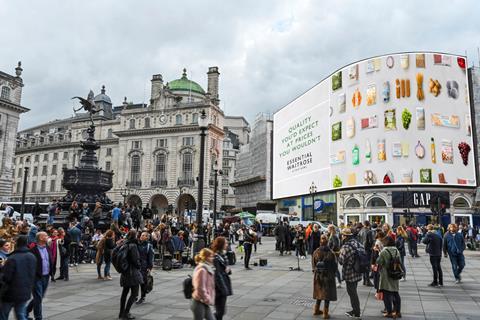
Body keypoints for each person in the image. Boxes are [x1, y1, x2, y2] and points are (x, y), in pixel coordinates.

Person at [0, 235, 37, 320]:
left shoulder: (13, 258)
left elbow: (6, 277)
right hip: (25, 291)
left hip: (10, 292)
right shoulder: (32, 256)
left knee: (3, 314)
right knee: (20, 313)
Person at [27, 231, 54, 320]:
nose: (48, 237)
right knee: (38, 297)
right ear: (41, 238)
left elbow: (50, 260)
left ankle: (26, 310)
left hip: (46, 276)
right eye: (46, 236)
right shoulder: (33, 250)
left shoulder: (47, 248)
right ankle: (38, 317)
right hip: (36, 277)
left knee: (39, 297)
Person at [338, 228, 363, 319]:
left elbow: (341, 261)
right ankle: (355, 310)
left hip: (350, 273)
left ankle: (356, 312)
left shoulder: (346, 247)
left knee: (352, 293)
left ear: (345, 236)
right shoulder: (358, 243)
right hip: (358, 271)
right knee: (354, 291)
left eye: (342, 235)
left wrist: (339, 254)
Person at [119, 230, 144, 320]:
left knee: (124, 293)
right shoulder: (133, 245)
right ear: (135, 236)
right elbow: (135, 259)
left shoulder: (125, 244)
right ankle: (126, 313)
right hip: (132, 272)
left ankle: (121, 313)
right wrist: (139, 265)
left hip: (125, 272)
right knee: (134, 293)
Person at [312, 234, 337, 318]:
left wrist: (316, 271)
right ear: (327, 242)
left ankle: (316, 310)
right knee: (327, 295)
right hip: (328, 276)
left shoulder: (316, 252)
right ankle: (325, 313)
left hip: (318, 276)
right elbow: (334, 266)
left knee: (319, 292)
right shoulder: (331, 253)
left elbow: (313, 265)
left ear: (320, 242)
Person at [377, 236, 402, 318]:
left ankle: (389, 312)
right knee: (395, 293)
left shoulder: (384, 251)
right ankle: (398, 312)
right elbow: (400, 261)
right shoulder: (396, 250)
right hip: (395, 273)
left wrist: (379, 252)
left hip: (386, 274)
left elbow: (379, 262)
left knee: (387, 294)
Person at [191, 248, 216, 320]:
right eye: (211, 256)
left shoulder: (208, 268)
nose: (212, 258)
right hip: (199, 301)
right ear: (205, 257)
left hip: (203, 301)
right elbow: (200, 288)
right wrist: (207, 299)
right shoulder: (202, 270)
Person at [212, 237, 232, 320]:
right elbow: (218, 275)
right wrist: (223, 289)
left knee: (221, 311)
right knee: (220, 311)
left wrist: (228, 270)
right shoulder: (216, 257)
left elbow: (225, 269)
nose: (227, 245)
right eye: (226, 243)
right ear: (221, 245)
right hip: (219, 288)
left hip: (223, 285)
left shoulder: (223, 255)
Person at [137, 231, 154, 304]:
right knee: (136, 281)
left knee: (143, 282)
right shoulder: (137, 244)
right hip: (137, 265)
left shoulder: (149, 246)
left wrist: (149, 267)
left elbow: (150, 257)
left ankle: (142, 297)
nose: (141, 236)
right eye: (141, 235)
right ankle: (135, 296)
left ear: (147, 237)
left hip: (144, 266)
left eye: (143, 235)